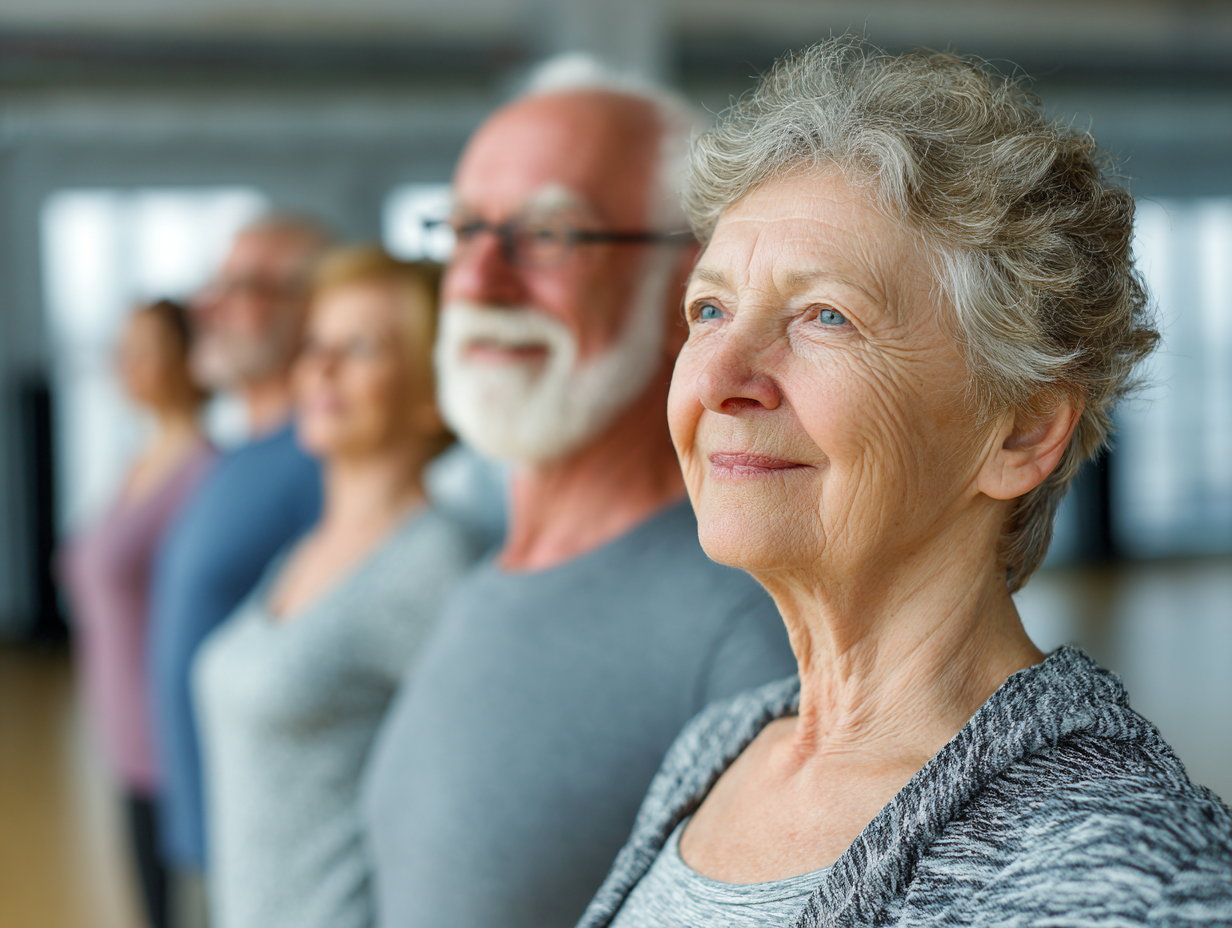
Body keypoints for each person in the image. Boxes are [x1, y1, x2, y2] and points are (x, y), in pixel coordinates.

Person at [578, 40, 1232, 928]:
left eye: (827, 316)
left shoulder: (1116, 871)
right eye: (710, 310)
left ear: (1022, 430)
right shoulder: (727, 747)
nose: (720, 373)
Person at [361, 56, 797, 928]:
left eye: (550, 236)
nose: (480, 283)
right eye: (462, 232)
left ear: (689, 291)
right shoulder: (487, 574)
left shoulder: (744, 627)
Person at [192, 248, 487, 928]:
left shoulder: (436, 564)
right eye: (315, 344)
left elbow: (468, 819)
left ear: (431, 395)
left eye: (360, 347)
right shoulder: (309, 548)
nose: (322, 368)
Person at [147, 215, 330, 927]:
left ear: (309, 309)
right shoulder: (236, 454)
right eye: (214, 284)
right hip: (201, 831)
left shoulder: (319, 466)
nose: (207, 307)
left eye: (242, 287)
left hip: (266, 860)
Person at [60, 300, 214, 928]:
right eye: (121, 350)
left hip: (173, 740)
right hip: (124, 733)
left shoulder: (202, 473)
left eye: (145, 349)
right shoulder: (138, 464)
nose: (126, 366)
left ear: (190, 359)